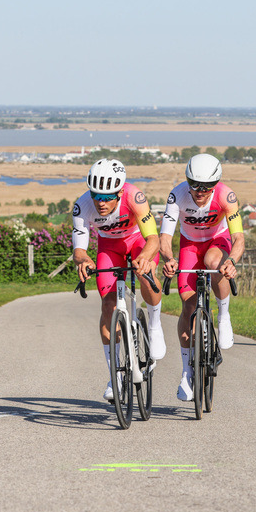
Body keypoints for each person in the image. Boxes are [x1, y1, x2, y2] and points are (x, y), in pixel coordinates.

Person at [72, 158, 164, 402]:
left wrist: (145, 257)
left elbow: (153, 239)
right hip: (109, 246)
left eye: (108, 197)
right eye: (96, 196)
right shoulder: (82, 206)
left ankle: (154, 325)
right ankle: (115, 376)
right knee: (107, 306)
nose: (101, 203)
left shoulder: (135, 197)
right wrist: (83, 261)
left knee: (147, 275)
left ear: (120, 192)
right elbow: (79, 250)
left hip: (136, 241)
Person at [159, 153, 245, 402]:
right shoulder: (177, 195)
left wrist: (232, 262)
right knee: (187, 307)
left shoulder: (226, 196)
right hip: (189, 244)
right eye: (194, 184)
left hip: (217, 241)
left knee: (213, 263)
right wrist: (168, 259)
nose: (199, 191)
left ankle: (224, 314)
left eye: (206, 186)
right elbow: (165, 237)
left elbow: (238, 238)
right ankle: (187, 372)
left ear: (215, 184)